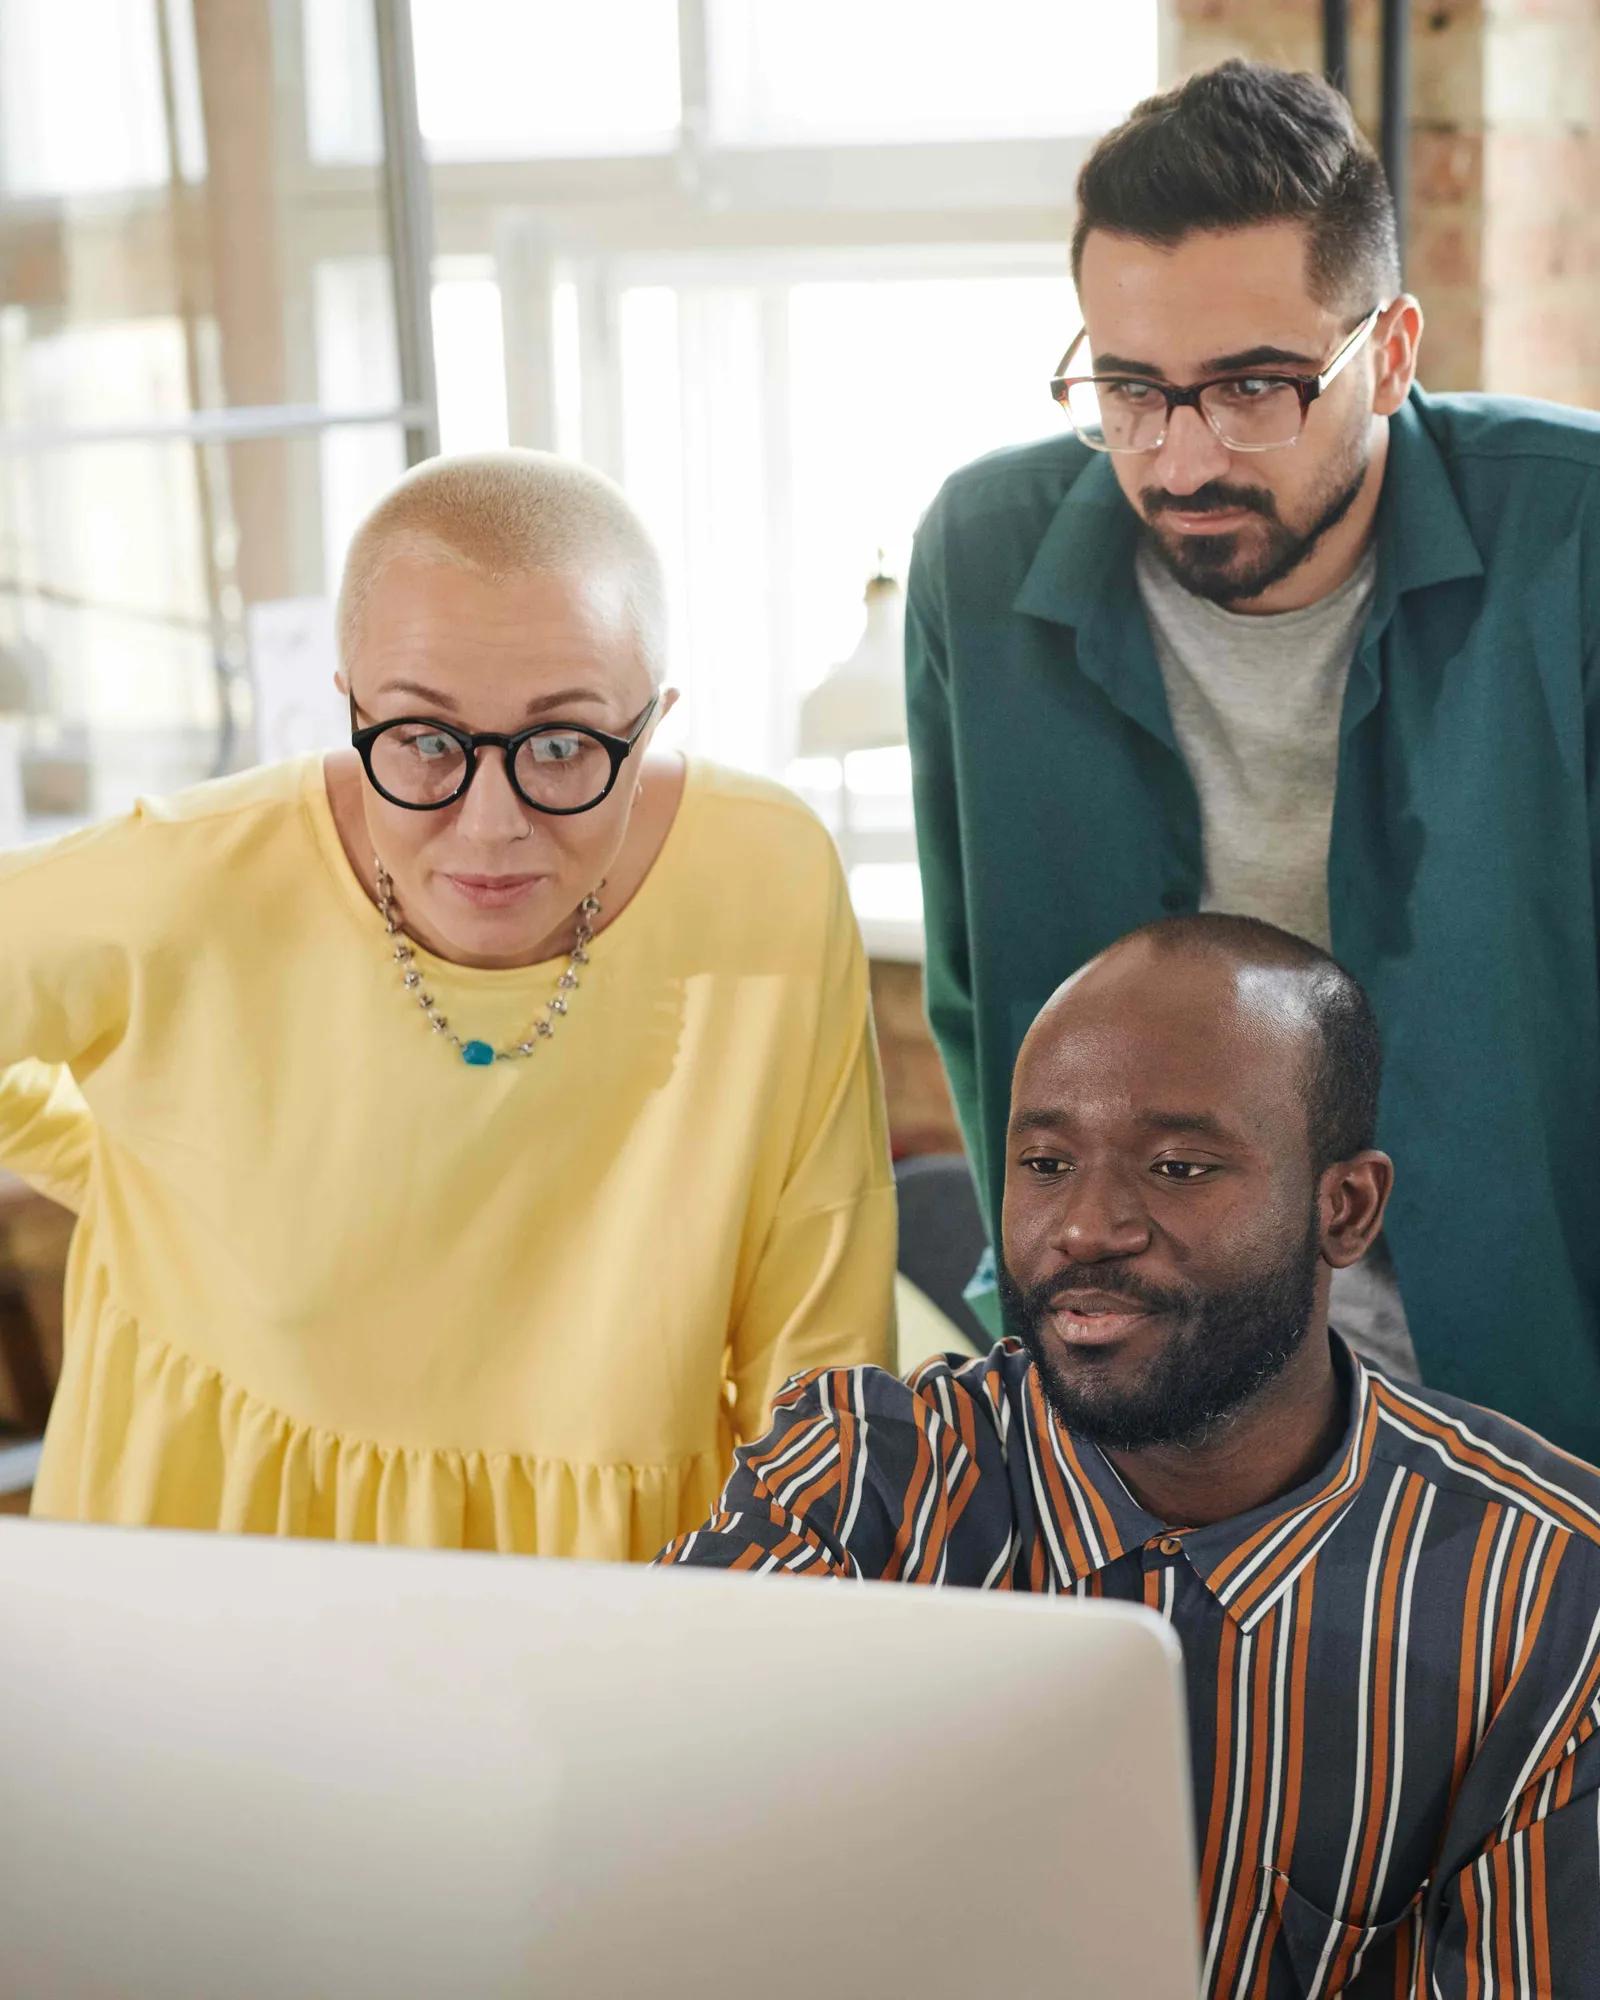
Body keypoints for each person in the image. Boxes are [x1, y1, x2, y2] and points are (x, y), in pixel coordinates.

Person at [664, 916, 1600, 1995]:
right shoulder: (860, 1477)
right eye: (1045, 1163)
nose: (1086, 1226)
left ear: (1344, 1209)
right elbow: (654, 1862)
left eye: (1177, 1166)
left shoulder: (1550, 1590)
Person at [0, 450, 895, 1556]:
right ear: (349, 706)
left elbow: (818, 1340)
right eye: (424, 740)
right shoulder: (191, 875)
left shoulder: (767, 873)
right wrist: (126, 1171)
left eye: (563, 746)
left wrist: (808, 1590)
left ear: (652, 723)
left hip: (632, 1568)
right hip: (222, 1539)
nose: (491, 825)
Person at [905, 57, 1600, 1458]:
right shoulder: (977, 560)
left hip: (1534, 1364)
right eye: (1130, 388)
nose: (1180, 460)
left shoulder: (1572, 538)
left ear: (1389, 353)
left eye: (1254, 387)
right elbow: (982, 1003)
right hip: (1142, 1387)